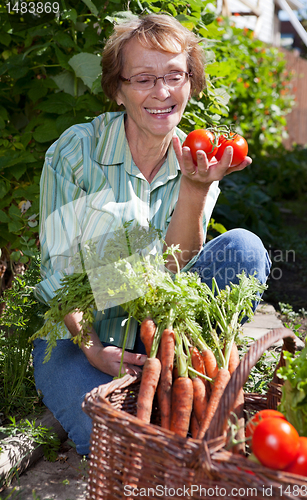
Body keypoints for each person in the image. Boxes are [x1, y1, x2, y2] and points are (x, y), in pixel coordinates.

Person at [32, 13, 271, 457]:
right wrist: (92, 349)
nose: (162, 92)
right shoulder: (76, 151)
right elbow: (59, 274)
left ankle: (186, 385)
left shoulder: (199, 155)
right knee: (116, 449)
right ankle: (150, 410)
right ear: (118, 89)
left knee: (243, 248)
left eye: (174, 76)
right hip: (80, 338)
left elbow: (175, 266)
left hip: (162, 335)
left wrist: (195, 187)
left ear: (191, 81)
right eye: (143, 79)